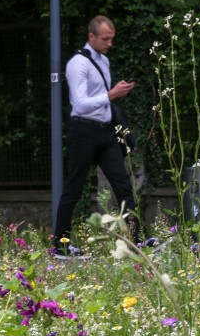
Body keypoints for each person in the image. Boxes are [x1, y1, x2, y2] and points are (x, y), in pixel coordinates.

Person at [53, 15, 150, 258]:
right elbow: (80, 103)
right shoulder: (78, 63)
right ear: (91, 37)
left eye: (112, 39)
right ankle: (60, 245)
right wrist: (111, 95)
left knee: (124, 187)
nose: (110, 43)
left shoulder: (103, 61)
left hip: (105, 132)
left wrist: (116, 94)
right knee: (73, 189)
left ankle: (138, 241)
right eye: (105, 39)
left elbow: (103, 97)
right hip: (83, 131)